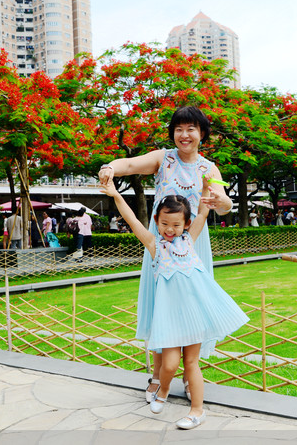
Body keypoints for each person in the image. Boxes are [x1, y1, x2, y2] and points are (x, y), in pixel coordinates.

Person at [98, 105, 233, 404]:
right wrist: (111, 167)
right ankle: (158, 376)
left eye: (191, 129)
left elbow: (223, 203)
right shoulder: (163, 159)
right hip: (160, 244)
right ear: (173, 133)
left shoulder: (209, 168)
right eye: (179, 129)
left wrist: (222, 201)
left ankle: (189, 375)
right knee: (162, 304)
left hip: (194, 243)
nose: (184, 135)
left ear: (202, 134)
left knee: (192, 306)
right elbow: (130, 165)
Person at [100, 178, 248, 429]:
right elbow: (132, 219)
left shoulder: (190, 240)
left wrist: (204, 187)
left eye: (176, 224)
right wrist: (115, 195)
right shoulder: (155, 246)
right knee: (169, 365)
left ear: (186, 224)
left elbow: (202, 211)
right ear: (156, 221)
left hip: (194, 315)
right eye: (164, 223)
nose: (170, 229)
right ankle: (164, 389)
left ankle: (197, 411)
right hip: (170, 320)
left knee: (192, 363)